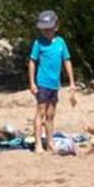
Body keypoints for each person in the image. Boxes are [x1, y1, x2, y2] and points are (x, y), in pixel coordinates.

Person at [28, 10, 75, 154]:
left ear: (56, 27)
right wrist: (32, 83)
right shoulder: (38, 43)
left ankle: (50, 142)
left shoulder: (60, 42)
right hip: (42, 82)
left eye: (49, 29)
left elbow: (66, 61)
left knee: (51, 114)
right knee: (40, 112)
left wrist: (72, 82)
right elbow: (32, 62)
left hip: (55, 84)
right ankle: (38, 144)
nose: (47, 32)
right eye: (44, 30)